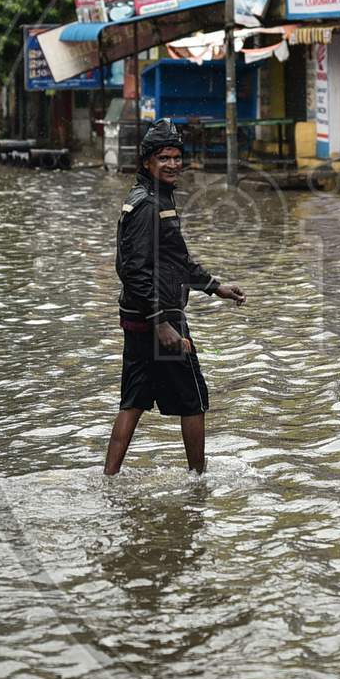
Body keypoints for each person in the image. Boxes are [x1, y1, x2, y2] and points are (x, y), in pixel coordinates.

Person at [104, 119, 246, 477]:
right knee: (194, 401)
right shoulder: (148, 206)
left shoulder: (154, 198)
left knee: (133, 402)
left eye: (177, 157)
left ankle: (109, 480)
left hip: (138, 317)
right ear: (146, 162)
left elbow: (175, 260)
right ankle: (199, 483)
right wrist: (162, 324)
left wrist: (215, 287)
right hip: (158, 318)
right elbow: (132, 269)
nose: (172, 164)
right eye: (164, 157)